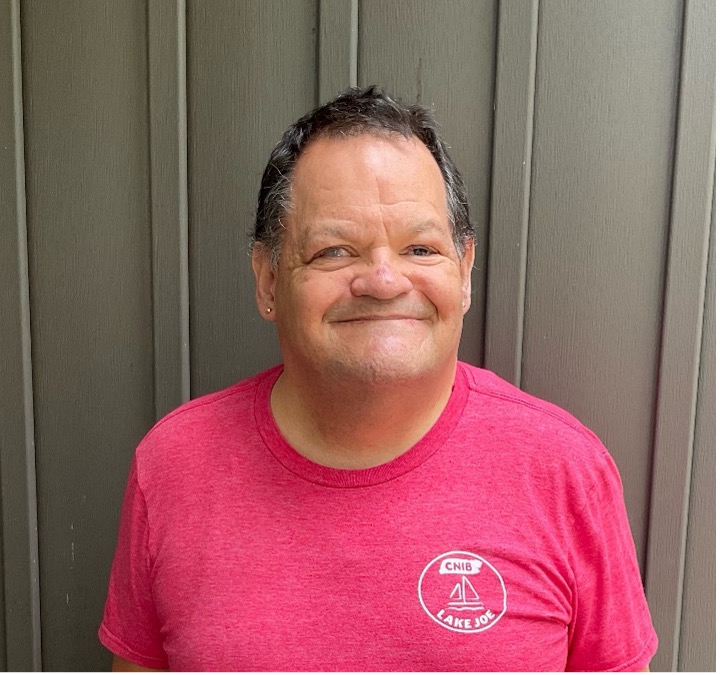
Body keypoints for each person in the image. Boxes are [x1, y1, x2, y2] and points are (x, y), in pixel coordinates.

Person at [99, 86, 657, 671]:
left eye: (420, 248)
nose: (384, 281)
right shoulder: (174, 466)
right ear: (267, 279)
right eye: (336, 251)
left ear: (464, 271)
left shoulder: (564, 471)